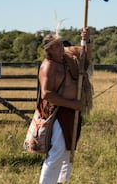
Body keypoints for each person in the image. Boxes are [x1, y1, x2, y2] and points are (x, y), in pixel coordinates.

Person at [38, 28, 91, 184]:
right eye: (56, 46)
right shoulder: (49, 66)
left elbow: (85, 57)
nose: (61, 48)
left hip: (71, 111)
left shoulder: (66, 59)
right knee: (56, 153)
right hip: (58, 113)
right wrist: (72, 104)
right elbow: (47, 94)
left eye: (61, 45)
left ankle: (62, 181)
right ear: (48, 50)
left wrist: (86, 40)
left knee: (67, 151)